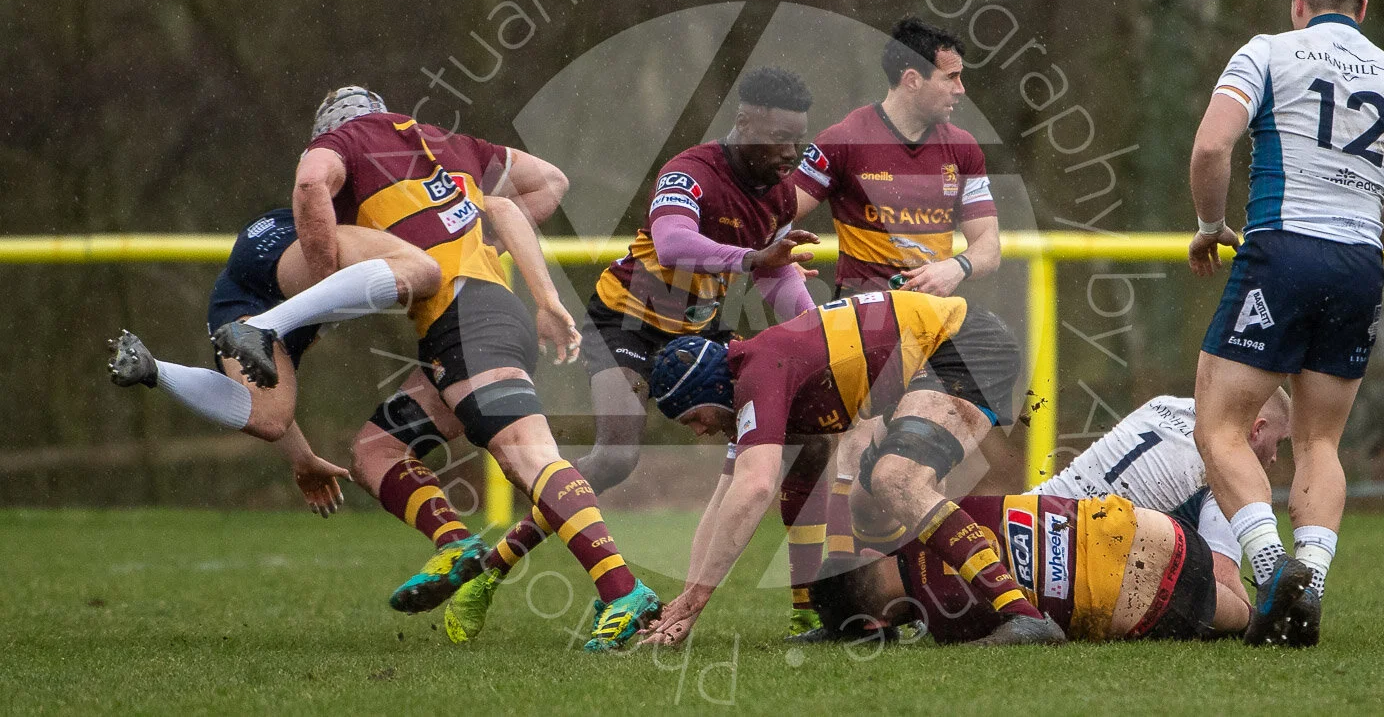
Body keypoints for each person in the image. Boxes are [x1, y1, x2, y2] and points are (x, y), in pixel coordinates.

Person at [218, 87, 659, 651]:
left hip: (468, 325)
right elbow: (549, 182)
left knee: (528, 456)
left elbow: (309, 183)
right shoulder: (448, 145)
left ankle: (623, 589)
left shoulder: (343, 143)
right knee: (375, 452)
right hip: (476, 322)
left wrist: (324, 279)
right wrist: (499, 256)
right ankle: (457, 546)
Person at [437, 68, 821, 645]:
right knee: (615, 455)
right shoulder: (691, 172)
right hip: (625, 325)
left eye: (800, 139)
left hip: (696, 337)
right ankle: (492, 571)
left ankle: (804, 606)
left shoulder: (781, 193)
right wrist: (752, 259)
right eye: (781, 138)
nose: (792, 154)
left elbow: (778, 272)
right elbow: (673, 243)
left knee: (797, 442)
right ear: (744, 124)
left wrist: (817, 333)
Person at [1187, 0, 1384, 647]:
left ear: (1298, 2)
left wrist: (1210, 226)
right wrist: (1356, 237)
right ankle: (1312, 584)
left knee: (1220, 424)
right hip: (1361, 262)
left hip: (1282, 249)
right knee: (1319, 438)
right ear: (1363, 9)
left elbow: (1212, 149)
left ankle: (1271, 572)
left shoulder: (1269, 51)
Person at [633, 289, 1060, 648]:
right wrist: (686, 600)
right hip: (934, 355)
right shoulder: (758, 374)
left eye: (693, 419)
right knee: (864, 502)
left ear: (708, 392)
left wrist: (696, 599)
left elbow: (754, 488)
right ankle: (854, 625)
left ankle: (1023, 615)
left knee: (896, 479)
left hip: (962, 345)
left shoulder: (757, 376)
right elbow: (758, 488)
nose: (699, 432)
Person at [787, 17, 1002, 632]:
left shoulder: (962, 147)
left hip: (938, 326)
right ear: (913, 78)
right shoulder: (842, 141)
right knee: (851, 452)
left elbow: (988, 247)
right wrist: (782, 277)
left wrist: (955, 267)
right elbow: (782, 217)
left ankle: (896, 594)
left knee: (910, 468)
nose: (961, 89)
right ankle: (829, 607)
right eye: (951, 76)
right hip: (863, 322)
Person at [107, 204, 443, 517]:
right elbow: (316, 171)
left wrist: (302, 457)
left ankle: (152, 368)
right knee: (423, 271)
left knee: (270, 419)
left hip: (245, 303)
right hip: (275, 248)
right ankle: (261, 327)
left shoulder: (297, 326)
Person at [808, 493, 1243, 644]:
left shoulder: (945, 624)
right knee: (1243, 605)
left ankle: (1253, 613)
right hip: (1155, 531)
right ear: (867, 555)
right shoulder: (934, 515)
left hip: (1145, 605)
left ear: (874, 626)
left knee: (1244, 622)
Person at [1033, 390, 1292, 623]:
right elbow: (1218, 581)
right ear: (1257, 429)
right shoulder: (1225, 470)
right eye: (1278, 443)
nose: (1274, 458)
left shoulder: (1162, 404)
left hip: (1020, 517)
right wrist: (1253, 617)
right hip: (1057, 573)